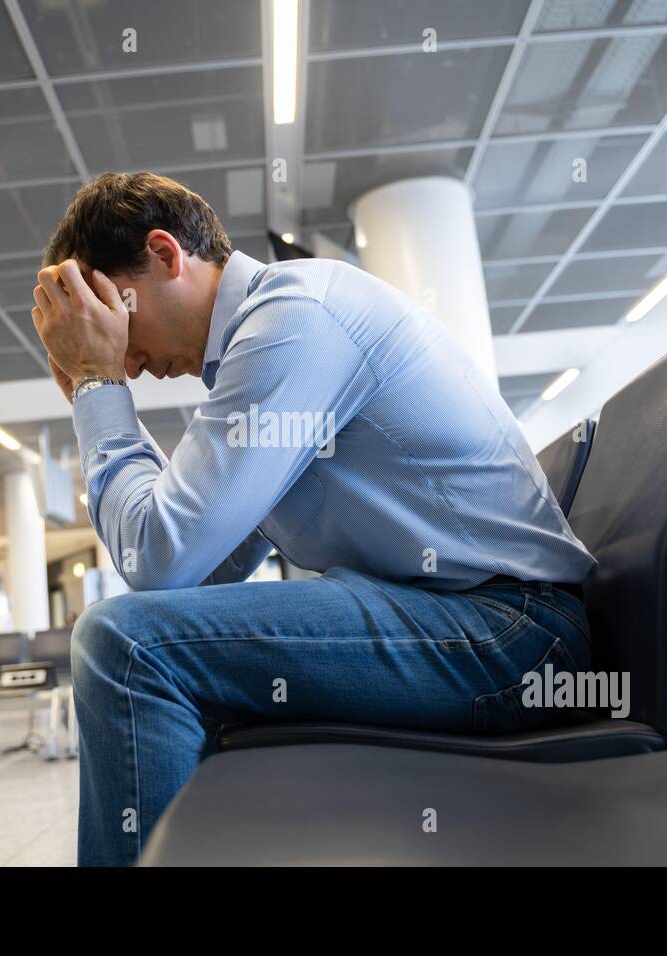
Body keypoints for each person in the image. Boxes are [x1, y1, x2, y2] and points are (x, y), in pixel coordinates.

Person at [31, 172, 596, 866]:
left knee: (127, 646)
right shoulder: (265, 344)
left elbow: (159, 557)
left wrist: (97, 386)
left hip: (510, 638)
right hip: (475, 625)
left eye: (116, 320)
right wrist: (102, 390)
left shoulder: (296, 321)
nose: (129, 358)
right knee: (148, 647)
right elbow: (190, 571)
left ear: (165, 255)